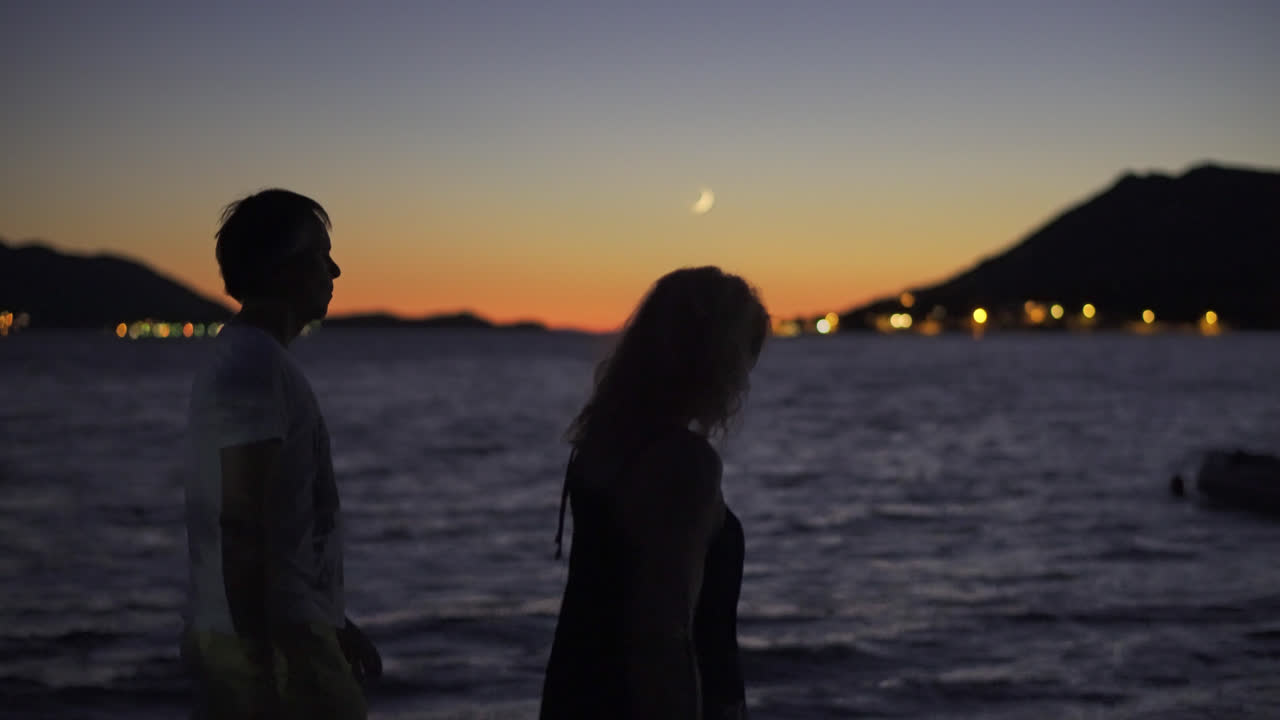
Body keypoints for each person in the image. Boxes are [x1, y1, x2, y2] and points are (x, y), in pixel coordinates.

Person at [180, 189, 381, 719]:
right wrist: (260, 663)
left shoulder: (255, 361)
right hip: (276, 642)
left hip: (286, 631)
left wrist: (333, 621)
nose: (334, 270)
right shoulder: (253, 366)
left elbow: (274, 526)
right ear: (281, 267)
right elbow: (242, 523)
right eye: (320, 254)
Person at [540, 266, 769, 720]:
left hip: (577, 692)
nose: (745, 378)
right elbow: (664, 631)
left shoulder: (601, 444)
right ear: (716, 356)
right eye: (745, 355)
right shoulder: (682, 463)